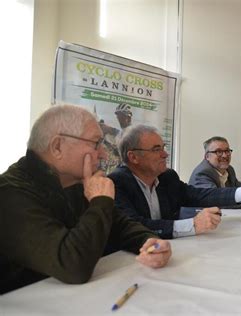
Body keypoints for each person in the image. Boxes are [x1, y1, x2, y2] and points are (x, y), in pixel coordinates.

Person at [0, 105, 171, 294]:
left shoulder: (73, 183)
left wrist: (152, 243)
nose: (104, 154)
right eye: (96, 143)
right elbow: (73, 267)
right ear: (57, 147)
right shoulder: (10, 193)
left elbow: (122, 226)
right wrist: (100, 202)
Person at [108, 124, 241, 239]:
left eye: (163, 147)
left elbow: (199, 196)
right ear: (133, 157)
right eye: (156, 149)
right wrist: (192, 225)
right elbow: (134, 226)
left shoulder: (167, 177)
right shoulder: (116, 184)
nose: (165, 154)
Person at [188, 136, 241, 209]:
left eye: (227, 151)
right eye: (219, 152)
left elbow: (240, 190)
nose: (225, 155)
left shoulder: (229, 169)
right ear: (207, 156)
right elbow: (215, 200)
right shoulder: (202, 173)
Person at [99, 103, 134, 174]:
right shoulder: (122, 131)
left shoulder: (133, 131)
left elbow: (124, 142)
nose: (118, 119)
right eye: (118, 116)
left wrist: (109, 129)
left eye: (120, 116)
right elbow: (115, 147)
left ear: (128, 117)